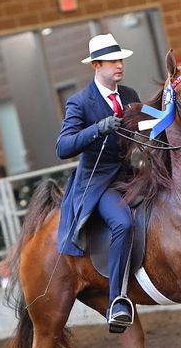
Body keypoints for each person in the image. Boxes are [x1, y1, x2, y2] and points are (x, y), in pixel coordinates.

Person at [56, 33, 140, 332]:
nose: (119, 65)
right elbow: (63, 147)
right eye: (113, 61)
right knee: (123, 223)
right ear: (96, 65)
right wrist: (97, 129)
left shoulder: (129, 94)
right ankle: (117, 299)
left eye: (120, 60)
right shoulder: (79, 102)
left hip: (133, 173)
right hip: (100, 182)